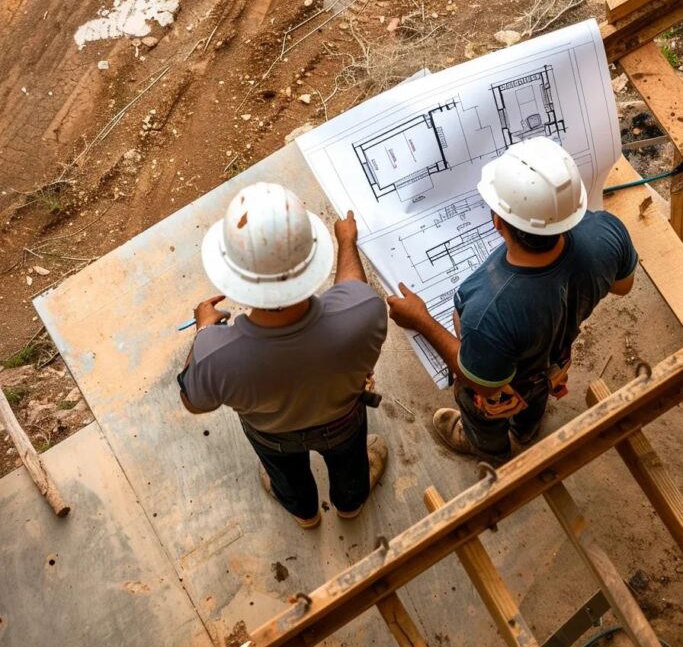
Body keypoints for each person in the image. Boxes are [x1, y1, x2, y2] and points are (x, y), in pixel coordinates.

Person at [386, 136, 638, 466]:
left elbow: (479, 382)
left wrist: (422, 320)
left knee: (483, 412)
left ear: (497, 222)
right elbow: (623, 286)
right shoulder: (607, 231)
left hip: (507, 382)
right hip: (552, 361)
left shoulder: (489, 311)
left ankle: (493, 454)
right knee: (535, 397)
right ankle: (525, 431)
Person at [178, 181, 388, 528]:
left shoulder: (214, 354)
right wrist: (347, 242)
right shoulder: (363, 311)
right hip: (342, 421)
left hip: (272, 436)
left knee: (285, 474)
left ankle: (303, 513)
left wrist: (204, 331)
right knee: (350, 462)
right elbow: (352, 289)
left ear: (234, 278)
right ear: (310, 261)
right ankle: (350, 505)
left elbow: (193, 402)